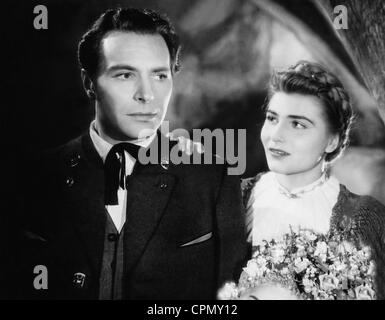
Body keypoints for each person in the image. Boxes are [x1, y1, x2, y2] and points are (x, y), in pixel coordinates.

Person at [15, 7, 247, 300]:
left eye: (160, 76)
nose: (147, 94)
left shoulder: (213, 176)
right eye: (125, 75)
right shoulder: (33, 176)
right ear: (90, 83)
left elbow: (230, 297)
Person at [241, 61, 385, 299]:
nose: (276, 136)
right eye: (272, 118)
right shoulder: (229, 198)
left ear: (332, 141)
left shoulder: (367, 219)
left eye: (297, 124)